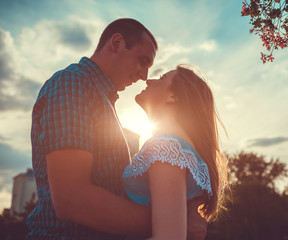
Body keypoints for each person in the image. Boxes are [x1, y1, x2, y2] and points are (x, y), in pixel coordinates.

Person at [26, 18, 206, 240]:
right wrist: (172, 223)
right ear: (117, 43)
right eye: (142, 61)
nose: (144, 76)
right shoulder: (73, 84)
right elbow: (72, 199)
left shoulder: (101, 100)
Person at [122, 65, 228, 240]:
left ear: (173, 96)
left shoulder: (166, 148)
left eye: (162, 78)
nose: (149, 80)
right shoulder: (182, 150)